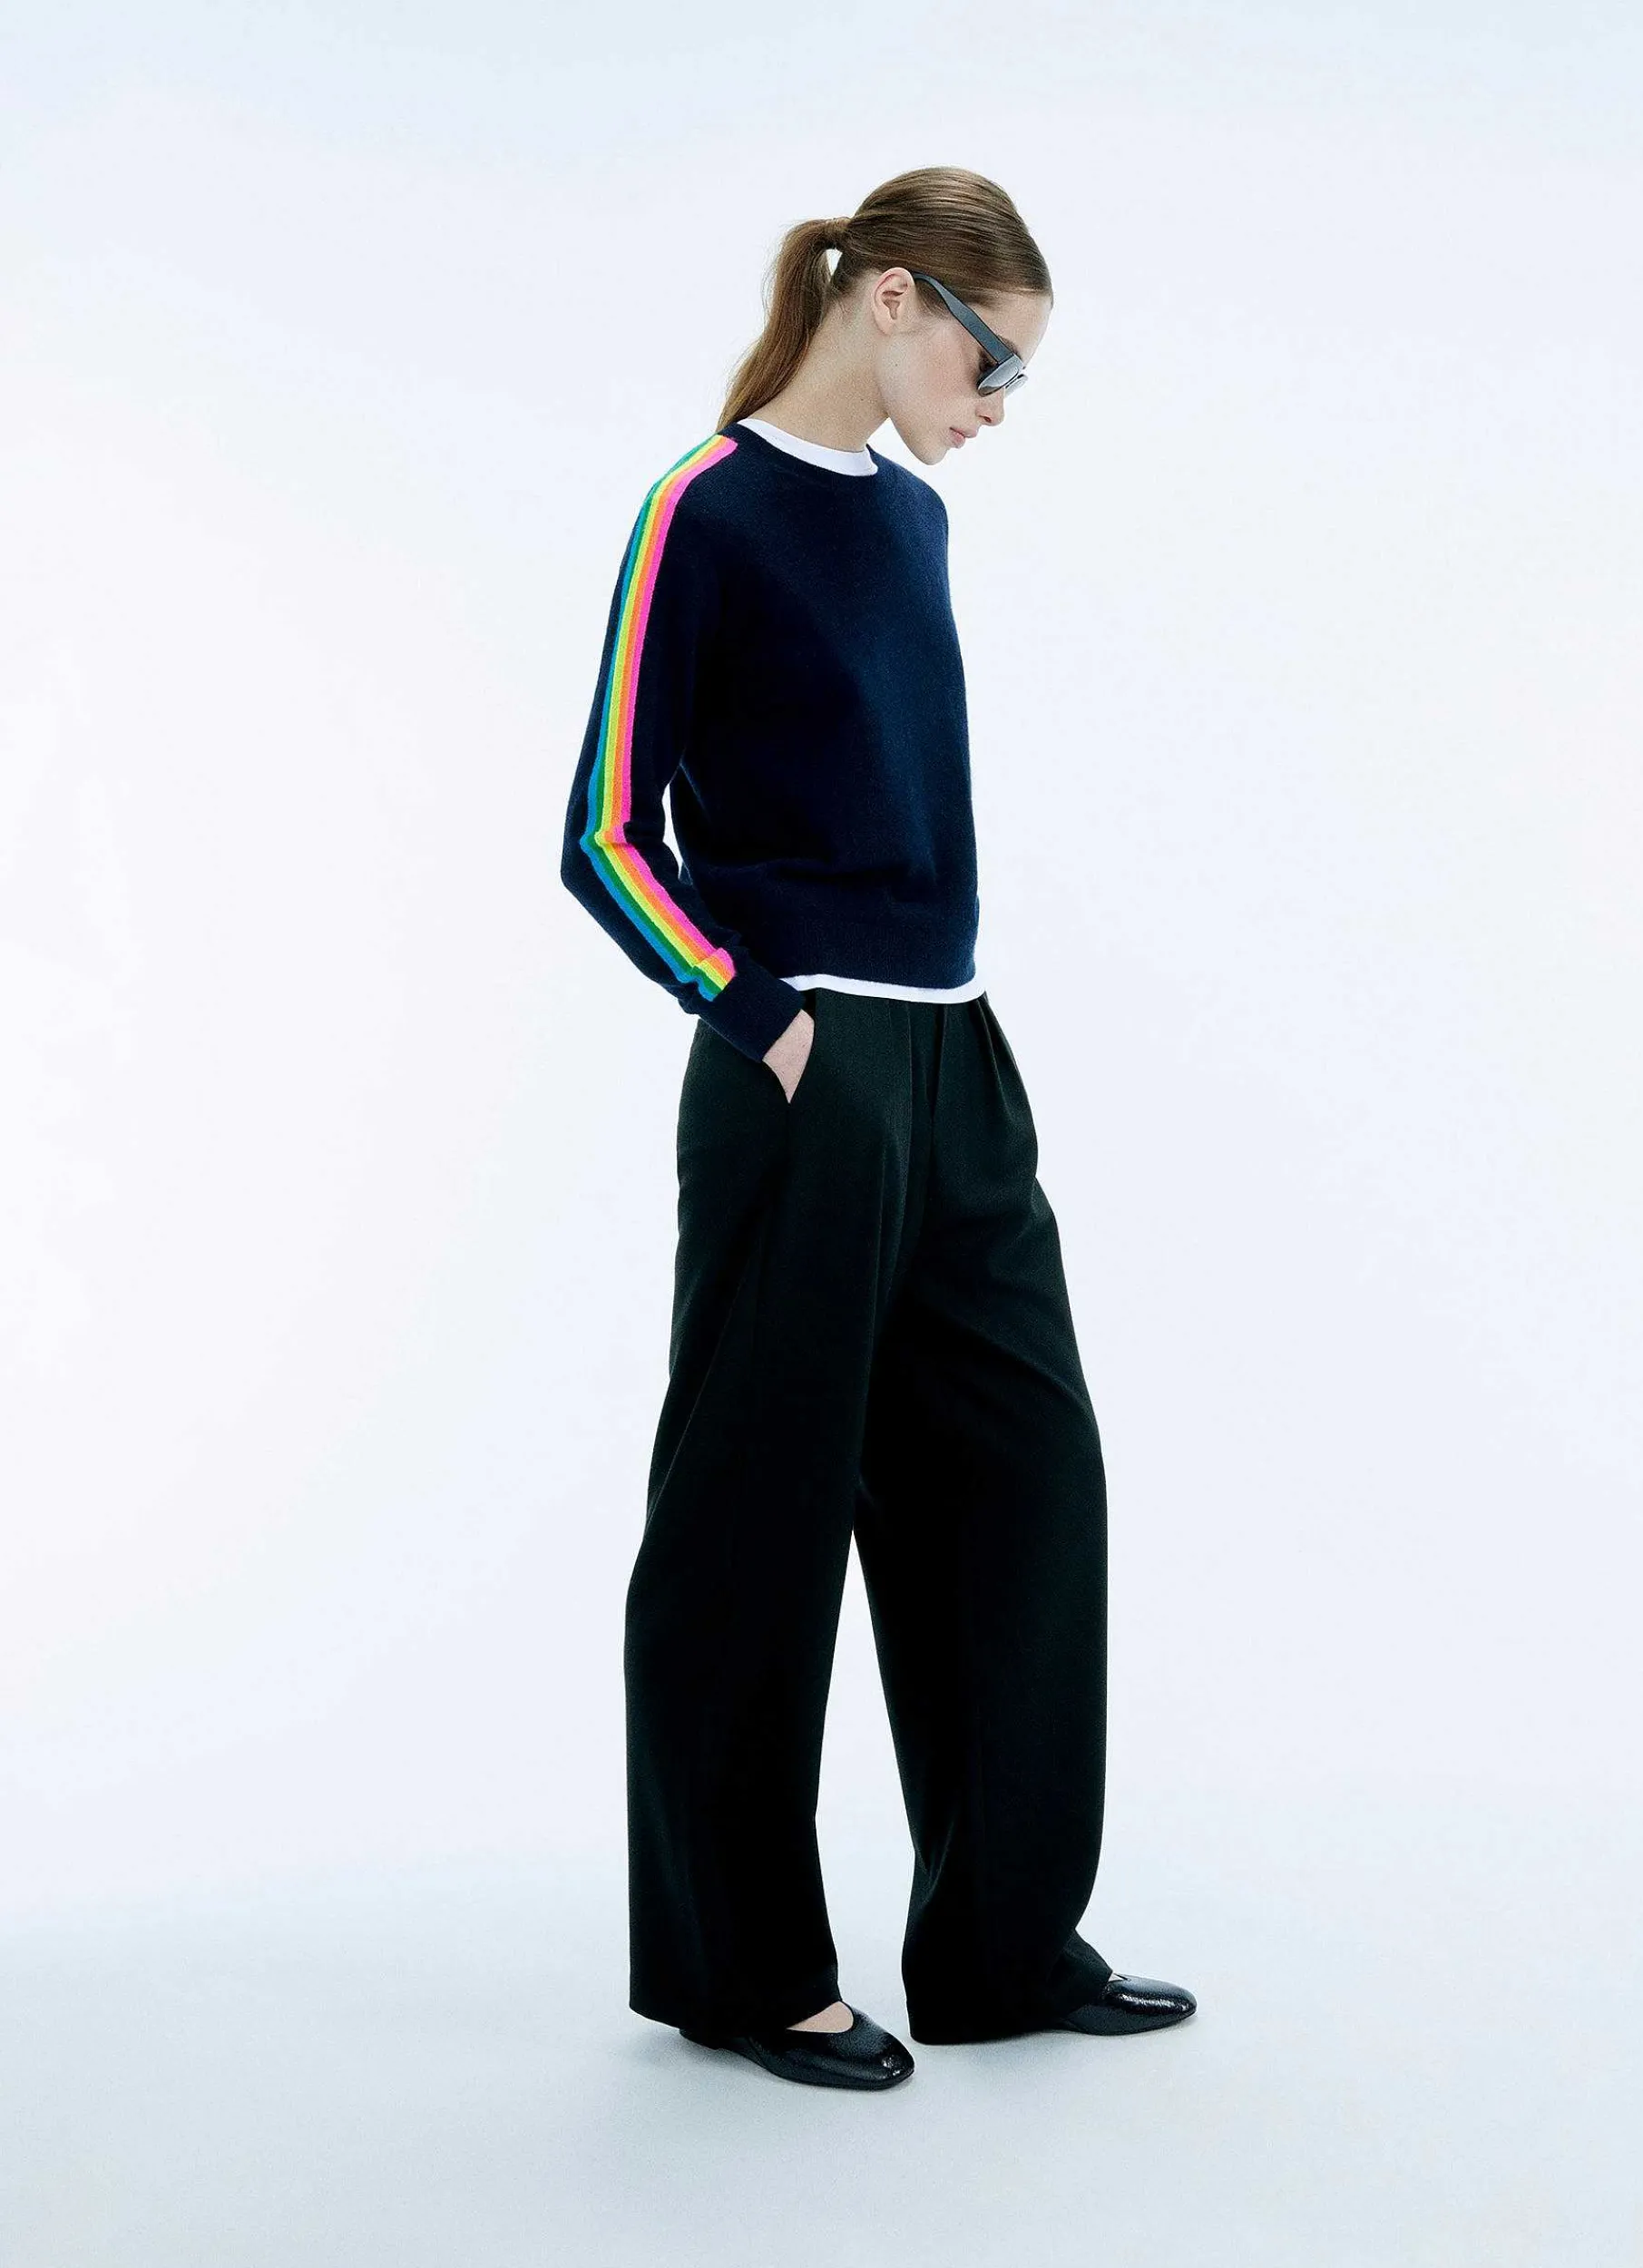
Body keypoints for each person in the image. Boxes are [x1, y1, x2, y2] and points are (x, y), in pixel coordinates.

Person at [559, 165, 1194, 2091]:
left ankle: (1001, 1942)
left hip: (956, 1057)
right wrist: (757, 1016)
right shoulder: (706, 505)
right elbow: (604, 827)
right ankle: (748, 1967)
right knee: (756, 1519)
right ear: (897, 298)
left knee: (1023, 1486)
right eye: (993, 363)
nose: (997, 407)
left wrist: (942, 1031)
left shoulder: (911, 517)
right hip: (806, 1067)